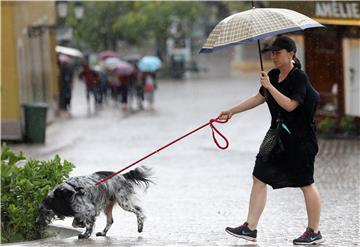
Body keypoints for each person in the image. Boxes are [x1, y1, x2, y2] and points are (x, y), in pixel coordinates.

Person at [218, 36, 323, 245]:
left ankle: (314, 231)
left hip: (300, 140)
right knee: (259, 176)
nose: (273, 56)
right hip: (276, 137)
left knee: (306, 183)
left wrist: (270, 87)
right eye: (271, 53)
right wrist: (232, 111)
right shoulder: (273, 75)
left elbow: (291, 105)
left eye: (277, 52)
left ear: (291, 53)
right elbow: (259, 98)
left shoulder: (298, 78)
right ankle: (250, 228)